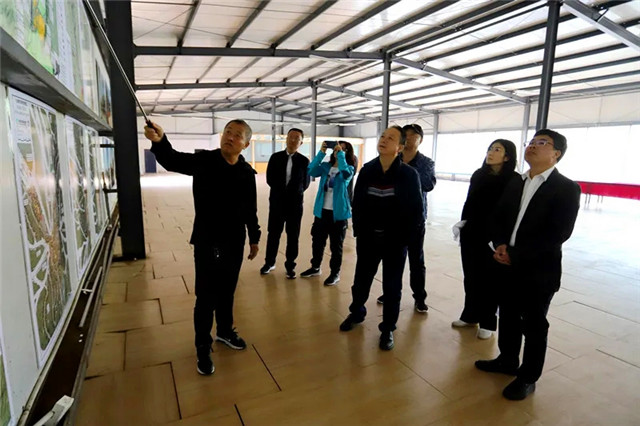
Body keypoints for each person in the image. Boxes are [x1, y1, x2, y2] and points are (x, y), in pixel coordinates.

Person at [144, 120, 261, 376]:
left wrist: (254, 237)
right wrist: (160, 141)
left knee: (227, 291)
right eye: (227, 132)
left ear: (245, 144)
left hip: (234, 241)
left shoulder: (246, 172)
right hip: (208, 240)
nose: (230, 137)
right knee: (206, 296)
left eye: (237, 135)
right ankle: (202, 346)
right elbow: (173, 160)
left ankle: (225, 331)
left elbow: (250, 208)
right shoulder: (205, 161)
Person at [475, 129, 580, 400]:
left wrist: (517, 254)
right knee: (508, 316)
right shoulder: (516, 182)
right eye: (531, 142)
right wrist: (500, 243)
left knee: (534, 324)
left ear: (556, 153)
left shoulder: (567, 188)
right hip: (506, 263)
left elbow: (559, 233)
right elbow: (499, 216)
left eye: (542, 142)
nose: (533, 145)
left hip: (538, 270)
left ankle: (528, 376)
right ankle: (507, 360)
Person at [339, 126, 424, 351]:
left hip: (395, 241)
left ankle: (387, 328)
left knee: (392, 286)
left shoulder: (409, 175)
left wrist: (405, 238)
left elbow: (417, 211)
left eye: (391, 138)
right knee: (361, 281)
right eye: (383, 136)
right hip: (368, 239)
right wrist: (359, 232)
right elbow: (357, 203)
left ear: (400, 147)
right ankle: (356, 313)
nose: (384, 140)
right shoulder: (368, 170)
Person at [452, 139, 518, 339]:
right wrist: (463, 224)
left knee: (490, 280)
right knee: (471, 276)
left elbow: (511, 212)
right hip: (472, 232)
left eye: (497, 149)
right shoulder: (478, 175)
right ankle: (470, 315)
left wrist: (503, 239)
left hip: (494, 237)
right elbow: (469, 202)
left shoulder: (514, 180)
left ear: (507, 157)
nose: (491, 152)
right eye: (490, 149)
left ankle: (488, 322)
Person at [376, 123, 436, 313]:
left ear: (420, 140)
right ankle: (389, 293)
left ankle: (419, 297)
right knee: (392, 260)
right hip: (392, 218)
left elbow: (429, 185)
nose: (409, 138)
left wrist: (409, 174)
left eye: (413, 136)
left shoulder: (426, 163)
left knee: (416, 260)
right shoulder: (393, 158)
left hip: (415, 219)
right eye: (406, 135)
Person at [299, 141, 355, 286]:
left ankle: (335, 273)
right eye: (337, 148)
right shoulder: (325, 167)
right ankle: (315, 267)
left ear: (347, 153)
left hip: (338, 214)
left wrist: (340, 156)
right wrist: (321, 153)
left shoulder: (349, 168)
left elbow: (346, 174)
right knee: (317, 242)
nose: (338, 151)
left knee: (336, 246)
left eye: (343, 149)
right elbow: (311, 170)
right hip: (322, 211)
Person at [260, 128, 310, 279]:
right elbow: (269, 179)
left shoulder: (304, 161)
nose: (293, 140)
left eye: (297, 138)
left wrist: (294, 193)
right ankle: (269, 263)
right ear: (286, 139)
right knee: (273, 233)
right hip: (277, 202)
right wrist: (281, 192)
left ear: (301, 142)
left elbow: (306, 183)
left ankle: (290, 265)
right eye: (291, 137)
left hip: (295, 204)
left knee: (293, 235)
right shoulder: (275, 157)